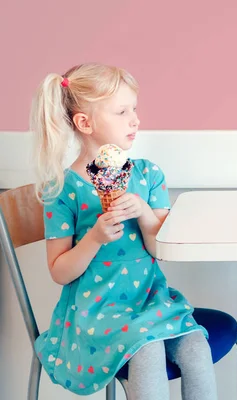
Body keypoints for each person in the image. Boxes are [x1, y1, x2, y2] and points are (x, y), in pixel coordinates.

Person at [31, 63, 218, 399]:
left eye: (134, 109)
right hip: (97, 312)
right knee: (147, 351)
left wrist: (145, 214)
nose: (135, 119)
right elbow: (59, 271)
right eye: (121, 111)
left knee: (196, 350)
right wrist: (94, 238)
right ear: (84, 123)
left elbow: (161, 247)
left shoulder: (148, 175)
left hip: (151, 300)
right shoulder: (62, 190)